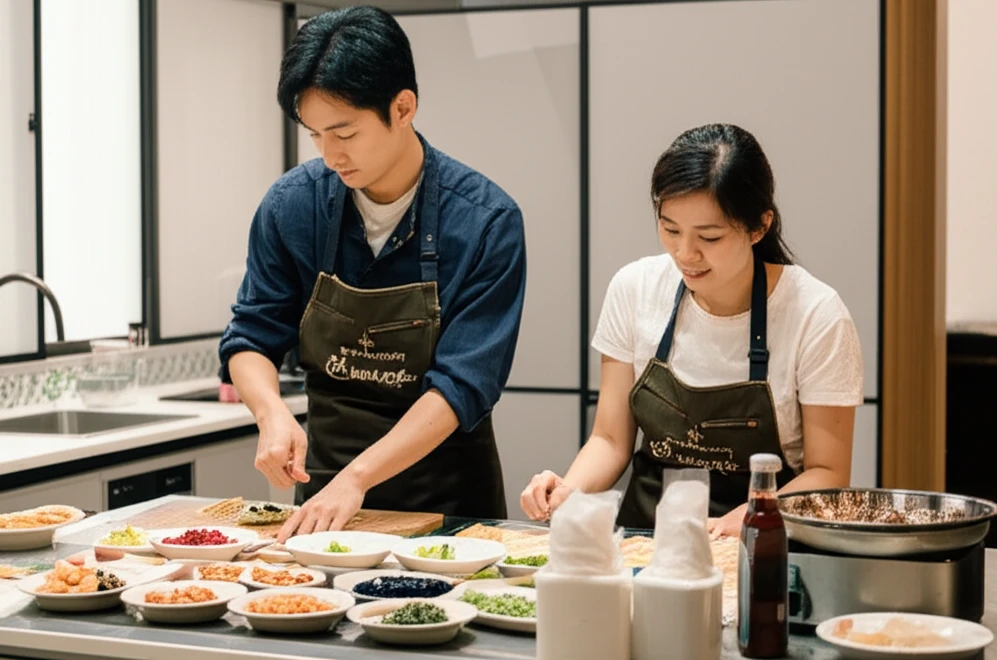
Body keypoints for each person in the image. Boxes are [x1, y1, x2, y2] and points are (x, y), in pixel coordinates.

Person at [219, 6, 527, 541]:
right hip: (323, 504)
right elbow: (250, 336)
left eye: (345, 132)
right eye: (314, 134)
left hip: (448, 513)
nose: (329, 154)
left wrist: (357, 477)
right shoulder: (293, 207)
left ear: (403, 107)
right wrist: (271, 414)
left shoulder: (485, 221)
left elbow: (462, 386)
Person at [520, 123, 863, 537]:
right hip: (644, 543)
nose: (685, 254)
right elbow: (611, 440)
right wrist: (567, 491)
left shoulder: (816, 315)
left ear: (759, 226)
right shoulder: (635, 289)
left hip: (759, 544)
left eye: (710, 237)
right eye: (670, 230)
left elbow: (828, 472)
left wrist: (755, 512)